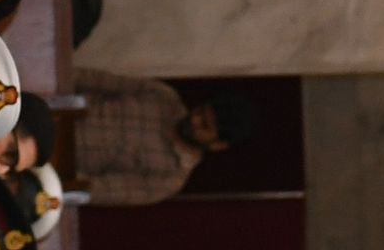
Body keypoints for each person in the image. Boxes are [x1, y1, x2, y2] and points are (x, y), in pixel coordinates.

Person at [69, 68, 252, 206]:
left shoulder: (169, 179)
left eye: (204, 125)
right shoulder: (164, 96)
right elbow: (93, 79)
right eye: (200, 110)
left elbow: (94, 190)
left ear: (217, 145)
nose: (194, 120)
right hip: (59, 107)